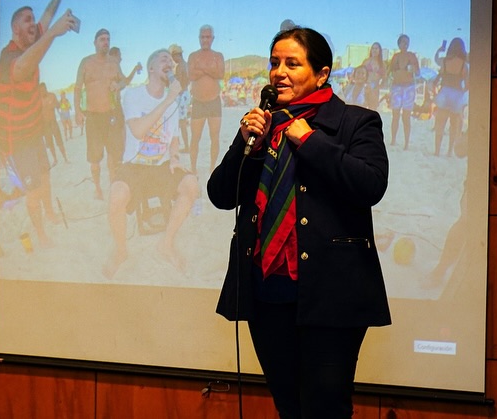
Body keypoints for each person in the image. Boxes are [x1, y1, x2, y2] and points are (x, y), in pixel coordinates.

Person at [207, 27, 391, 418]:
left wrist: (310, 141)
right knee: (289, 406)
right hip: (267, 290)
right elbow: (221, 195)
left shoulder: (356, 122)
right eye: (275, 63)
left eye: (292, 63)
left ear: (322, 74)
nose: (279, 72)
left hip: (331, 292)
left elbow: (371, 185)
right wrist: (245, 143)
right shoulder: (263, 126)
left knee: (325, 407)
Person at [104, 49, 199, 278]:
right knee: (116, 196)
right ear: (151, 68)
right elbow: (138, 130)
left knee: (191, 185)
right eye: (163, 58)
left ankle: (166, 243)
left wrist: (174, 157)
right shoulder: (133, 95)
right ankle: (121, 251)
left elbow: (174, 137)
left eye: (171, 61)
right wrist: (168, 99)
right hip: (134, 166)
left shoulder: (172, 101)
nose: (170, 63)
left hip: (162, 165)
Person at [0, 0, 75, 247]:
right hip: (17, 141)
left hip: (34, 132)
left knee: (46, 176)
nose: (34, 24)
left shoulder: (32, 38)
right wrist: (51, 34)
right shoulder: (8, 56)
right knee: (33, 190)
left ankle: (50, 212)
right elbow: (23, 68)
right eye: (27, 20)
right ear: (15, 28)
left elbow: (48, 16)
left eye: (34, 21)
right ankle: (40, 234)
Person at [74, 29, 127, 200]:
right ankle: (97, 188)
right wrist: (77, 111)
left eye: (108, 39)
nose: (106, 42)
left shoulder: (113, 62)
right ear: (95, 42)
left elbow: (124, 80)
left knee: (114, 155)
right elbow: (77, 88)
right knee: (95, 159)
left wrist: (118, 85)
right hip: (93, 117)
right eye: (102, 39)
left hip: (111, 115)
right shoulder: (86, 62)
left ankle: (113, 187)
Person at [187, 24, 225, 174]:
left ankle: (212, 167)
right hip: (198, 102)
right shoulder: (193, 56)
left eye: (208, 37)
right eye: (202, 37)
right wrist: (210, 69)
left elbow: (220, 74)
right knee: (195, 137)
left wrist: (201, 68)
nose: (205, 40)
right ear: (199, 38)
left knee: (214, 137)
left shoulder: (218, 56)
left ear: (212, 38)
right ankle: (193, 168)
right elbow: (191, 75)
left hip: (214, 101)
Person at [432, 37, 468, 156]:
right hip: (457, 94)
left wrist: (439, 49)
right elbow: (467, 84)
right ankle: (449, 151)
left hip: (444, 92)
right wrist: (462, 91)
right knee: (454, 125)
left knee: (440, 124)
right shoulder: (464, 65)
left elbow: (436, 59)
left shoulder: (444, 61)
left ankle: (437, 151)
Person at [387, 34, 420, 149]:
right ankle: (393, 139)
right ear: (399, 43)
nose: (405, 44)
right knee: (395, 115)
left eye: (407, 42)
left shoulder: (412, 56)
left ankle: (406, 143)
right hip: (396, 86)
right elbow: (390, 71)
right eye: (403, 42)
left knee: (406, 116)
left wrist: (412, 69)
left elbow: (418, 72)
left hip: (408, 87)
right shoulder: (395, 57)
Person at [168, 43, 191, 153]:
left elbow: (178, 82)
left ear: (177, 55)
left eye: (173, 57)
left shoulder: (180, 66)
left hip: (181, 96)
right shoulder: (185, 65)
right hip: (185, 94)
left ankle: (185, 146)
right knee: (181, 122)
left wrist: (170, 75)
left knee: (181, 123)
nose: (173, 59)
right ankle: (184, 145)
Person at [361, 41, 385, 111]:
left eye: (376, 48)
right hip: (366, 85)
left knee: (372, 108)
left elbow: (385, 77)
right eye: (373, 48)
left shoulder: (382, 64)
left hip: (375, 87)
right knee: (362, 106)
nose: (374, 50)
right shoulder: (366, 61)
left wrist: (380, 86)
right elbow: (361, 72)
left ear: (379, 51)